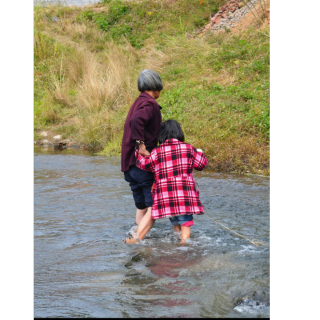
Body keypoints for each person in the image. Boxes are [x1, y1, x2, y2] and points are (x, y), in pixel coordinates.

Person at [126, 119, 208, 244]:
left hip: (165, 197)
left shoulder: (157, 152)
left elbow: (144, 164)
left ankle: (176, 244)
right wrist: (201, 153)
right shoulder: (188, 149)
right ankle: (183, 246)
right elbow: (201, 164)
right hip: (184, 195)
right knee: (185, 223)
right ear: (179, 133)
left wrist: (139, 152)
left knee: (175, 222)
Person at [121, 69, 163, 242]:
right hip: (143, 165)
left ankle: (140, 239)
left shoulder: (138, 102)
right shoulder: (150, 104)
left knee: (142, 207)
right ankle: (136, 240)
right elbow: (136, 120)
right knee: (155, 208)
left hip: (129, 166)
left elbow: (134, 120)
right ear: (156, 86)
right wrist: (142, 145)